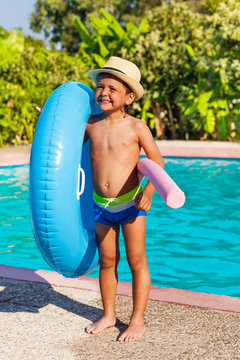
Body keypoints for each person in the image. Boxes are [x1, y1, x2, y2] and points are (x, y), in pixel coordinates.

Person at [84, 56, 164, 342]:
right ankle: (108, 314)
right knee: (107, 261)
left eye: (112, 89)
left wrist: (149, 193)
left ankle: (137, 320)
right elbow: (63, 145)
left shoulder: (136, 127)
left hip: (131, 205)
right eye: (100, 87)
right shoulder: (90, 126)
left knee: (136, 261)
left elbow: (157, 162)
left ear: (129, 97)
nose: (104, 92)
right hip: (100, 206)